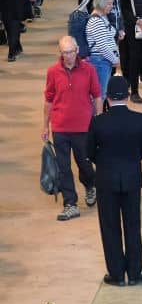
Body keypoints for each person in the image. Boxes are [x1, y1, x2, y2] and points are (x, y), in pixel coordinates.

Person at [87, 75, 142, 286]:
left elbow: (89, 152)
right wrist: (131, 160)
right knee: (133, 225)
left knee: (110, 227)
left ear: (107, 97)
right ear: (127, 95)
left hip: (106, 180)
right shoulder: (140, 120)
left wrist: (104, 162)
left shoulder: (98, 122)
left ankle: (116, 274)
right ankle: (134, 272)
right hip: (132, 179)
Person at [44, 36, 102, 221]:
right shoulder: (53, 72)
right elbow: (48, 100)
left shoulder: (89, 70)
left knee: (84, 163)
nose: (67, 56)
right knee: (63, 167)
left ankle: (90, 185)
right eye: (64, 53)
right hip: (60, 127)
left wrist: (99, 121)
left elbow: (97, 96)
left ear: (77, 50)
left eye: (70, 52)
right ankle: (70, 204)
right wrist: (45, 126)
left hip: (83, 127)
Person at [85, 0, 121, 97]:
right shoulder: (96, 21)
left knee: (101, 94)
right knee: (99, 95)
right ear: (102, 4)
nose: (111, 6)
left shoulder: (103, 17)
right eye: (109, 4)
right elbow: (102, 46)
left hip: (104, 61)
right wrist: (115, 60)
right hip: (99, 62)